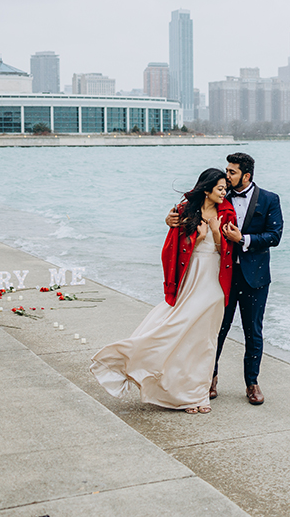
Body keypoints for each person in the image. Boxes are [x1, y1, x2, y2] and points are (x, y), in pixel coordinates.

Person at [91, 168, 236, 414]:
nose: (224, 193)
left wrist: (214, 233)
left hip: (215, 282)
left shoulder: (227, 212)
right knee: (179, 331)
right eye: (220, 188)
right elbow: (171, 248)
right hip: (191, 279)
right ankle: (170, 386)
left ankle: (199, 395)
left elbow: (227, 254)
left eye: (225, 189)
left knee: (205, 341)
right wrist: (198, 239)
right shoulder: (183, 212)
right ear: (207, 189)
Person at [166, 152, 283, 405]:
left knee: (254, 332)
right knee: (216, 329)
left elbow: (274, 236)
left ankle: (252, 384)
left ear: (246, 175)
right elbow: (191, 207)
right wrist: (170, 218)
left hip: (256, 277)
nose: (227, 175)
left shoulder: (270, 199)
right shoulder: (219, 194)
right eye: (226, 170)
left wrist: (243, 239)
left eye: (232, 172)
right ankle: (210, 377)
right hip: (221, 275)